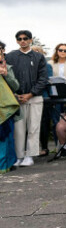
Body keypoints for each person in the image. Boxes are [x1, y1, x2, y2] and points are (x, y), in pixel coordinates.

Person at [5, 30, 48, 167]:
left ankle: (30, 156)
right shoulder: (10, 56)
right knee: (18, 129)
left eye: (25, 38)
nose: (23, 41)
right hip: (17, 99)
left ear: (30, 40)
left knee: (33, 127)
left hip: (34, 98)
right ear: (17, 40)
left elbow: (43, 79)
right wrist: (16, 94)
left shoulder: (38, 57)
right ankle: (19, 156)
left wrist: (31, 94)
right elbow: (7, 77)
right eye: (20, 39)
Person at [0, 41, 20, 172]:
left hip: (6, 107)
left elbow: (16, 86)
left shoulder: (8, 67)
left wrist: (5, 74)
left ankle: (7, 164)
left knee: (6, 135)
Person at [32, 45, 52, 157]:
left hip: (43, 97)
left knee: (43, 123)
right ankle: (32, 149)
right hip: (29, 98)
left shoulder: (47, 66)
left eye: (37, 52)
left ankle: (44, 147)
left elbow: (46, 81)